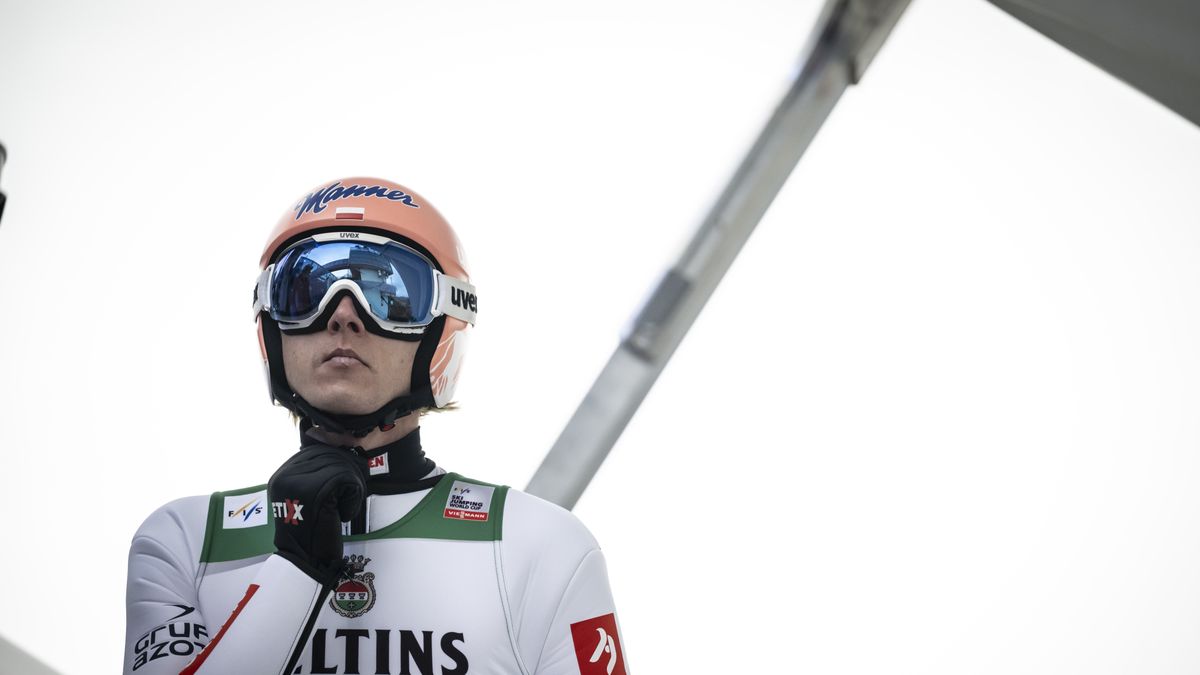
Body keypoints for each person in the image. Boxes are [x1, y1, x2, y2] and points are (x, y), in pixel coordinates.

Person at [123, 178, 630, 675]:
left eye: (389, 294)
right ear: (271, 325)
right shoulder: (187, 541)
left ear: (443, 325)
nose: (344, 314)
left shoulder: (540, 546)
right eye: (306, 291)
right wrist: (295, 565)